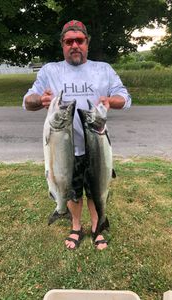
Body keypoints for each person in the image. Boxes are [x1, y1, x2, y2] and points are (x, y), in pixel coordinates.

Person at [23, 20, 131, 250]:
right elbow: (28, 100)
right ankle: (75, 226)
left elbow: (125, 97)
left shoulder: (103, 69)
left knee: (95, 188)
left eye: (79, 41)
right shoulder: (50, 70)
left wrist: (110, 100)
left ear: (87, 43)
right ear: (62, 44)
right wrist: (39, 100)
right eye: (69, 41)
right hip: (64, 149)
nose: (74, 45)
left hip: (96, 146)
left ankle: (96, 226)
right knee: (71, 191)